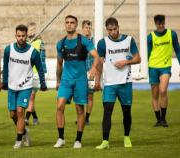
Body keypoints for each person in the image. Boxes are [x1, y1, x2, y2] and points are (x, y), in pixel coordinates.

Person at [54, 15, 101, 149]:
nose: (69, 25)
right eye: (67, 22)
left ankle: (78, 140)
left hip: (80, 80)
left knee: (79, 110)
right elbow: (59, 64)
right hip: (66, 80)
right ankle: (61, 138)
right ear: (65, 24)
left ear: (76, 25)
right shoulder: (61, 43)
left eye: (72, 23)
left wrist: (93, 68)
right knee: (59, 106)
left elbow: (96, 56)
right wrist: (58, 80)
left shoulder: (84, 41)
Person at [95, 17, 141, 149]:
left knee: (126, 112)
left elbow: (138, 58)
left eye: (114, 29)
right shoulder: (102, 43)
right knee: (107, 112)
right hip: (109, 84)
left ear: (118, 27)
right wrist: (97, 81)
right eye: (110, 30)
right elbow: (99, 64)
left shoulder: (129, 40)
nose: (113, 32)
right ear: (107, 30)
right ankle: (105, 141)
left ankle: (126, 137)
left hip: (125, 83)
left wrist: (125, 62)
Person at [2, 24, 47, 149]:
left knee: (20, 111)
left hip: (26, 86)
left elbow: (40, 68)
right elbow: (5, 67)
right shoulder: (8, 49)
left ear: (27, 36)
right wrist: (4, 81)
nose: (21, 38)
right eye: (18, 36)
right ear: (15, 36)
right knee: (13, 114)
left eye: (23, 36)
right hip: (12, 86)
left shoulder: (33, 52)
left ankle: (18, 140)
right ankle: (24, 131)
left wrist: (43, 83)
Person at [147, 14, 180, 127]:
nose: (161, 26)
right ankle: (158, 120)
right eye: (158, 24)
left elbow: (178, 50)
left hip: (165, 67)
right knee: (155, 94)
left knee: (163, 90)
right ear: (155, 24)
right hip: (153, 67)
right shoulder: (150, 37)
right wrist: (144, 69)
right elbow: (147, 53)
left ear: (164, 22)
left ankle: (164, 119)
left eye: (162, 23)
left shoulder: (172, 34)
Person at [25, 22, 47, 126]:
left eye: (34, 29)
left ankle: (26, 118)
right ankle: (35, 117)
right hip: (25, 73)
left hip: (35, 73)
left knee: (31, 97)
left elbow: (43, 58)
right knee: (29, 97)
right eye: (30, 29)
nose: (32, 31)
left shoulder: (39, 42)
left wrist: (43, 72)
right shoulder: (23, 42)